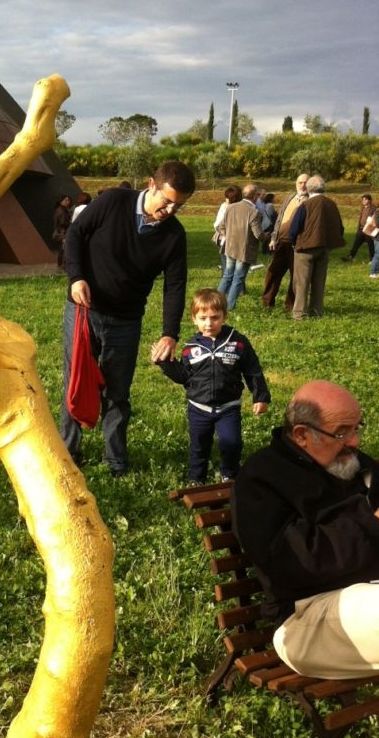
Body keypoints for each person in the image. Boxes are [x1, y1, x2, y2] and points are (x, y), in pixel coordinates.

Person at [232, 380, 379, 680]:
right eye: (342, 432)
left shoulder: (354, 464)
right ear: (301, 435)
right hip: (306, 617)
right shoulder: (262, 478)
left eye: (356, 428)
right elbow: (296, 563)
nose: (354, 441)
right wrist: (371, 522)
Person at [61, 160, 196, 476]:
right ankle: (68, 452)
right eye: (167, 201)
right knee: (76, 381)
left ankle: (116, 460)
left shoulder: (174, 235)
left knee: (118, 393)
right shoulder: (112, 202)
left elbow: (175, 286)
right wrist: (76, 276)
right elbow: (76, 234)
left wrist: (169, 333)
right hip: (84, 310)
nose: (171, 210)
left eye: (179, 205)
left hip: (126, 320)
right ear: (151, 185)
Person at [153, 288, 269, 483]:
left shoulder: (238, 342)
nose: (209, 323)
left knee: (231, 442)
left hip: (228, 407)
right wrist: (164, 362)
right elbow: (184, 376)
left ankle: (230, 474)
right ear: (194, 319)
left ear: (224, 316)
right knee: (199, 445)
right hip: (198, 408)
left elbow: (252, 370)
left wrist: (261, 396)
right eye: (203, 318)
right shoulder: (191, 347)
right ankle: (197, 477)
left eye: (215, 317)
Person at [289, 174, 344, 319]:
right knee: (319, 282)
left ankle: (299, 313)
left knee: (301, 283)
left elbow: (294, 228)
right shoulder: (331, 204)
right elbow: (340, 227)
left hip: (305, 248)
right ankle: (316, 312)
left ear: (308, 188)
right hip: (324, 247)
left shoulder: (305, 205)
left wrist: (293, 242)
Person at [261, 173, 309, 311]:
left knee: (296, 276)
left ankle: (290, 305)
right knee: (273, 272)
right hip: (282, 241)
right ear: (296, 183)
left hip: (298, 243)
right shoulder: (290, 197)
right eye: (300, 182)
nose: (303, 185)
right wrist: (274, 237)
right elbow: (279, 219)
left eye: (306, 182)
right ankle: (267, 302)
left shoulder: (311, 201)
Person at [216, 184, 264, 309]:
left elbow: (220, 226)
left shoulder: (230, 207)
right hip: (244, 250)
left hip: (230, 248)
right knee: (238, 278)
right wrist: (269, 236)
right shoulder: (254, 212)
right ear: (255, 196)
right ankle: (229, 307)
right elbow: (258, 234)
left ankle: (216, 303)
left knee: (227, 275)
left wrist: (229, 235)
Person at [211, 185, 242, 275]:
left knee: (230, 268)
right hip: (230, 240)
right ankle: (233, 288)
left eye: (227, 197)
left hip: (230, 241)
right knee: (232, 269)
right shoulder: (225, 207)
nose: (226, 200)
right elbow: (217, 225)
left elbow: (217, 225)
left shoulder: (228, 207)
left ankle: (232, 288)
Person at [343, 193, 376, 263]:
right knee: (356, 243)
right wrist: (358, 228)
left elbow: (374, 219)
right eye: (363, 200)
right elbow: (360, 218)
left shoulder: (373, 208)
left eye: (365, 199)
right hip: (361, 229)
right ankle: (351, 256)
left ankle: (372, 259)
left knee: (371, 245)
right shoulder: (363, 208)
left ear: (369, 200)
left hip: (368, 230)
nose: (363, 201)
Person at [52, 194, 73, 268]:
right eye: (66, 200)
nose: (68, 202)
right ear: (61, 201)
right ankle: (63, 265)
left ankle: (61, 265)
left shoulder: (60, 209)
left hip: (60, 233)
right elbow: (62, 222)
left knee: (62, 249)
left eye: (68, 200)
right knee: (64, 249)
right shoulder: (61, 210)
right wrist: (71, 223)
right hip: (62, 233)